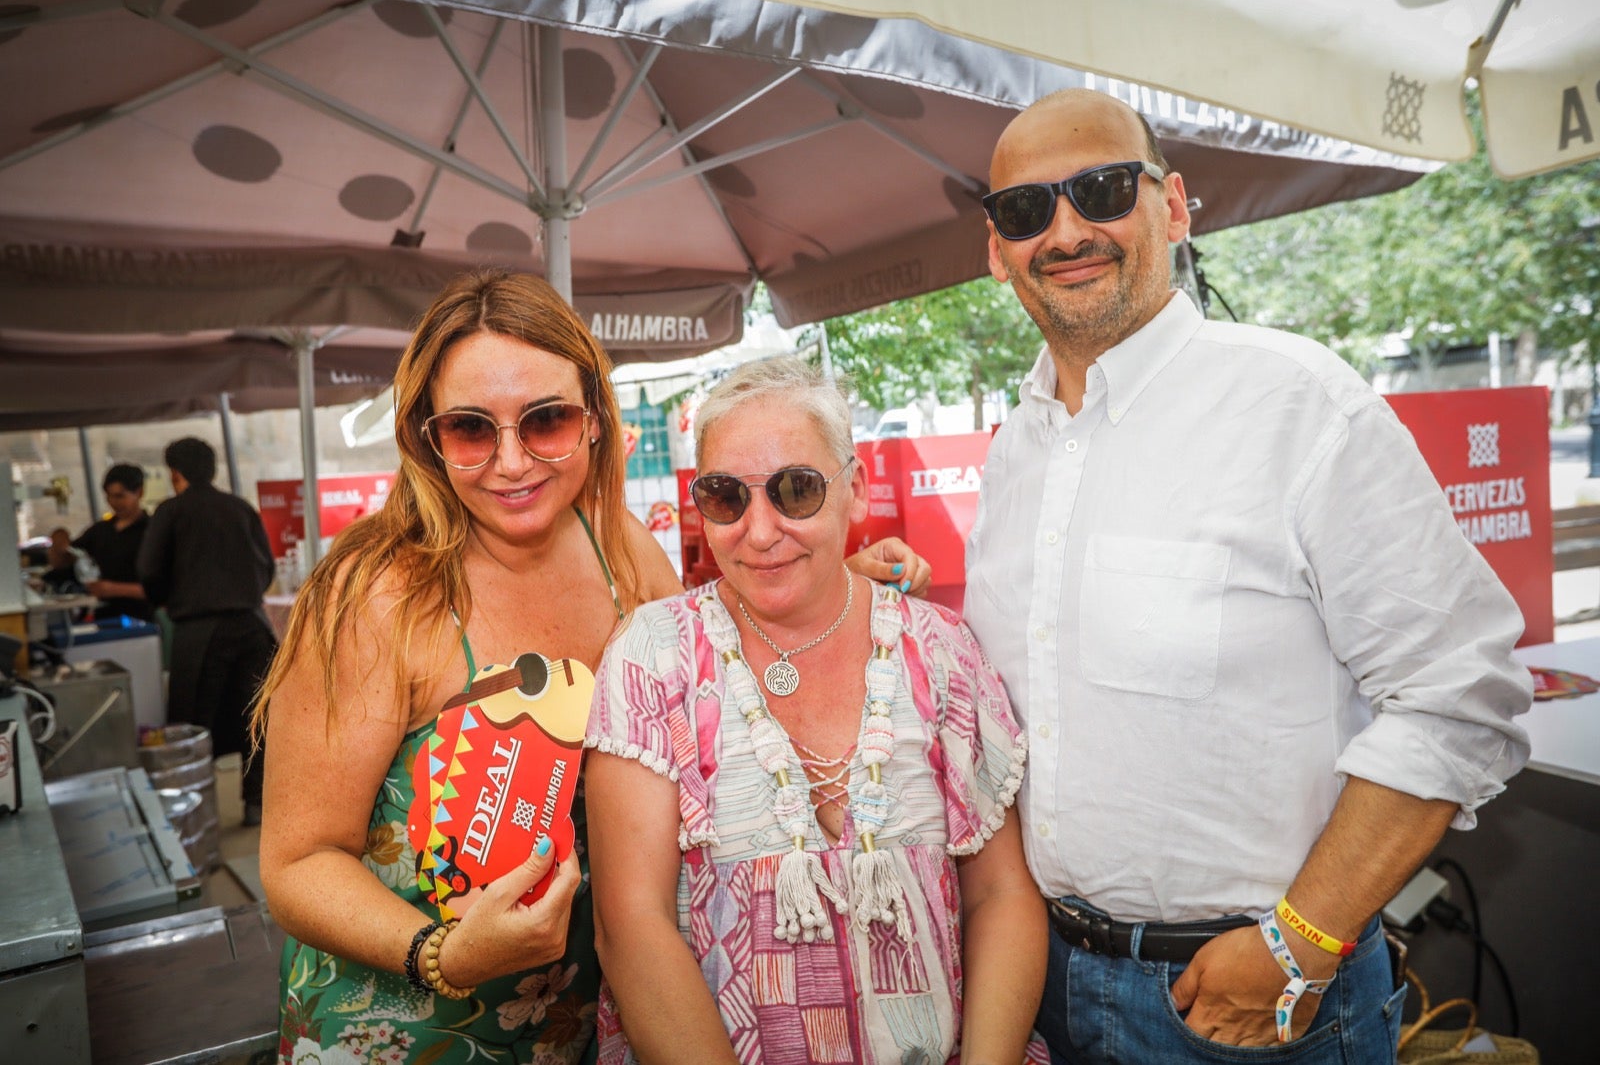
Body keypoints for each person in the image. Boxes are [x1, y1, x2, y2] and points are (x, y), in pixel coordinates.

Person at [963, 89, 1533, 1063]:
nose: (1063, 230)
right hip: (1041, 984)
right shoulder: (1016, 449)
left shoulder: (1297, 405)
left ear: (1174, 207)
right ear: (994, 247)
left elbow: (1459, 696)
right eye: (1024, 210)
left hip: (1252, 1002)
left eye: (1099, 189)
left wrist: (1298, 945)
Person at [249, 272, 930, 1064]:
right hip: (398, 1030)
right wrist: (444, 954)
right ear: (427, 438)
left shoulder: (619, 551)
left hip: (585, 1022)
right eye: (472, 429)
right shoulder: (376, 595)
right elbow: (297, 862)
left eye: (546, 420)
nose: (511, 462)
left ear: (596, 421)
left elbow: (711, 663)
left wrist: (834, 578)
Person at [584, 356, 1047, 1064]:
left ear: (855, 490)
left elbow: (1001, 896)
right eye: (725, 497)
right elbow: (630, 926)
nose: (760, 530)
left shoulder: (940, 649)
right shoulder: (654, 656)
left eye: (796, 490)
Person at [138, 437, 277, 826]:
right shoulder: (240, 508)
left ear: (174, 473)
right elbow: (266, 567)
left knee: (194, 726)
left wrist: (166, 598)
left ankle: (198, 815)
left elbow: (149, 571)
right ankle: (255, 804)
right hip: (251, 626)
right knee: (256, 720)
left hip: (198, 632)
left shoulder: (170, 512)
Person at [75, 463, 153, 622]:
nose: (113, 502)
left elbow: (162, 587)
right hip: (101, 616)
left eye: (120, 496)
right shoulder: (99, 531)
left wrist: (112, 589)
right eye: (109, 496)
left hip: (140, 618)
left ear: (139, 492)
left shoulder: (152, 532)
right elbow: (71, 556)